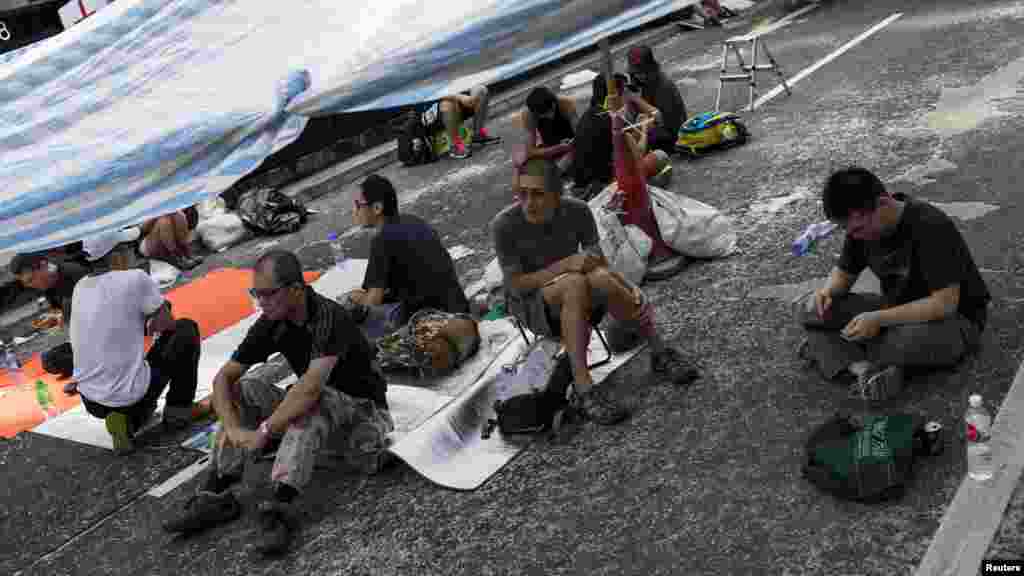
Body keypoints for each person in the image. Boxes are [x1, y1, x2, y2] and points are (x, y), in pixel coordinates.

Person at [163, 249, 393, 556]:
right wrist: (232, 429)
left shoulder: (328, 317)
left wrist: (265, 431)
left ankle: (280, 507)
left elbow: (310, 390)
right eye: (256, 294)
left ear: (296, 291)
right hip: (321, 416)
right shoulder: (273, 321)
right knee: (243, 388)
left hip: (364, 419)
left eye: (268, 294)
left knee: (310, 397)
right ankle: (215, 493)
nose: (261, 302)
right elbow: (223, 379)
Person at [490, 157, 700, 425]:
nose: (528, 203)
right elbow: (517, 286)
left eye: (538, 194)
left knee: (598, 278)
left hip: (576, 294)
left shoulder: (577, 210)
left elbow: (597, 260)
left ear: (557, 194)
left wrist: (618, 281)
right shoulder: (504, 225)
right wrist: (565, 265)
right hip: (533, 303)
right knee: (575, 282)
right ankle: (584, 387)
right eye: (523, 194)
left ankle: (659, 351)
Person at [796, 167, 991, 400]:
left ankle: (837, 354)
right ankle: (864, 369)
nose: (855, 235)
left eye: (858, 228)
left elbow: (945, 304)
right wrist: (827, 292)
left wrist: (878, 319)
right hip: (895, 309)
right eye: (849, 230)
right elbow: (843, 275)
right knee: (808, 308)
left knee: (899, 339)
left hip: (954, 321)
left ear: (882, 203)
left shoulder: (930, 225)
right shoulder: (859, 229)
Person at [69, 228, 202, 454]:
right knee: (185, 330)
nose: (133, 254)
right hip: (127, 393)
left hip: (91, 397)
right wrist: (151, 322)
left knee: (131, 378)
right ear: (116, 256)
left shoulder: (80, 286)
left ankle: (126, 422)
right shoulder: (135, 278)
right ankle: (178, 412)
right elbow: (167, 325)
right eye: (128, 249)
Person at [342, 174, 471, 340]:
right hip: (459, 309)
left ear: (377, 208)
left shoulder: (381, 240)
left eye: (358, 205)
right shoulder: (414, 220)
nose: (354, 211)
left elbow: (372, 302)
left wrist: (353, 303)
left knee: (357, 330)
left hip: (437, 327)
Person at [572, 72, 672, 199]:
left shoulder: (589, 114)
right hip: (604, 186)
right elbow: (638, 153)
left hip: (583, 184)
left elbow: (624, 143)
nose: (626, 95)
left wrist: (639, 127)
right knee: (660, 156)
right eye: (624, 91)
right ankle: (637, 190)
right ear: (615, 94)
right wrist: (644, 128)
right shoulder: (611, 119)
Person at [626, 45, 687, 155]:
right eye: (636, 73)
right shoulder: (645, 84)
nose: (639, 76)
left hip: (672, 136)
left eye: (641, 72)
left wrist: (636, 100)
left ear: (650, 68)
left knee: (635, 144)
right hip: (658, 128)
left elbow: (664, 122)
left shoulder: (664, 86)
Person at [416, 85, 502, 160]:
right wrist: (459, 97)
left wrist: (468, 96)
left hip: (454, 100)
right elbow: (430, 93)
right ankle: (455, 145)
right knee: (448, 104)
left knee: (480, 90)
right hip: (430, 114)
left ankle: (478, 135)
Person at [513, 86, 578, 179]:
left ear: (554, 103)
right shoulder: (529, 115)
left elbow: (581, 135)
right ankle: (555, 171)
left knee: (582, 147)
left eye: (550, 112)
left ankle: (556, 171)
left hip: (571, 146)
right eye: (544, 115)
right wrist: (557, 148)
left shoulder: (566, 104)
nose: (549, 116)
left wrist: (571, 145)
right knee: (520, 159)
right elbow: (531, 151)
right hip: (550, 148)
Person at [138, 205, 203, 270]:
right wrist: (157, 215)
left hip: (168, 241)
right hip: (149, 244)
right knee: (164, 220)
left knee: (178, 215)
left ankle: (188, 254)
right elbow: (142, 229)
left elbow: (192, 223)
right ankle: (178, 258)